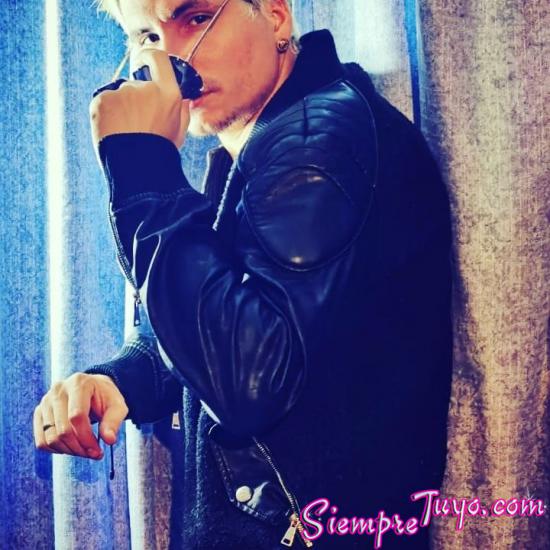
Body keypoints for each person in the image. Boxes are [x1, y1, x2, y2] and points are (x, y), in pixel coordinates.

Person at [33, 0, 453, 548]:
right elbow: (233, 313)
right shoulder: (273, 142)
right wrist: (121, 379)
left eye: (196, 18)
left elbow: (249, 379)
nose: (171, 60)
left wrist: (140, 166)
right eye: (147, 37)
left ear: (275, 14)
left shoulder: (313, 150)